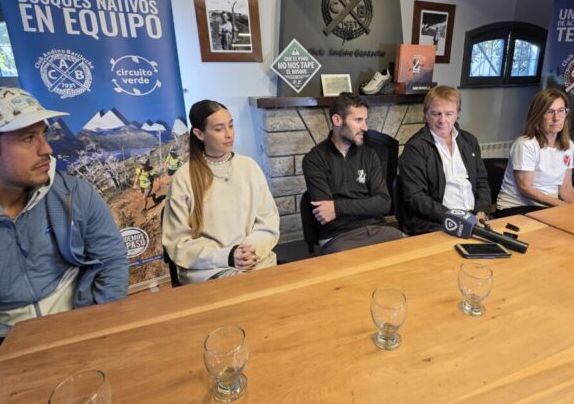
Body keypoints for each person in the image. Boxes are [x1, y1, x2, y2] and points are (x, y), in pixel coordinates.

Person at [0, 87, 129, 390]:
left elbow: (112, 261)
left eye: (43, 134)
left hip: (84, 332)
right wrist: (11, 376)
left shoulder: (74, 194)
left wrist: (100, 329)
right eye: (27, 138)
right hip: (1, 360)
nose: (47, 149)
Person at [162, 100, 279, 284]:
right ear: (199, 134)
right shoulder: (184, 178)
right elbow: (178, 242)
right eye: (219, 129)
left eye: (231, 126)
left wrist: (250, 250)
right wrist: (227, 256)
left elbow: (268, 221)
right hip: (209, 271)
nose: (229, 134)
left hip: (255, 262)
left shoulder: (249, 167)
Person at [302, 93, 404, 255]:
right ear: (337, 120)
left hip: (377, 229)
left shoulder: (369, 155)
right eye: (358, 120)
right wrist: (367, 205)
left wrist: (337, 207)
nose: (365, 127)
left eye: (365, 120)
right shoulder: (314, 160)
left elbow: (384, 203)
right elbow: (326, 215)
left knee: (413, 255)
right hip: (338, 237)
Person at [399, 86, 491, 235]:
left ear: (457, 115)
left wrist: (482, 211)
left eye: (449, 114)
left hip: (475, 218)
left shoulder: (470, 141)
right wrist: (457, 218)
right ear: (426, 114)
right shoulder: (415, 148)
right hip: (435, 222)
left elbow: (481, 182)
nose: (443, 120)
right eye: (436, 113)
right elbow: (416, 197)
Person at [496, 89, 574, 217]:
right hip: (516, 208)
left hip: (549, 207)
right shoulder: (526, 144)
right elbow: (526, 188)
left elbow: (566, 187)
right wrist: (562, 206)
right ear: (538, 115)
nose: (556, 118)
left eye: (561, 111)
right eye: (550, 112)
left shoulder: (569, 145)